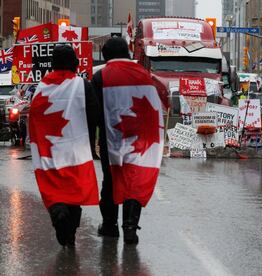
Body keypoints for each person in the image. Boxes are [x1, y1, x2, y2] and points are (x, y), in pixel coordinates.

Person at [92, 37, 164, 244]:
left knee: (111, 180)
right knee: (135, 180)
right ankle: (130, 227)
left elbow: (94, 112)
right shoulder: (145, 75)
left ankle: (110, 226)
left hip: (111, 138)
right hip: (142, 138)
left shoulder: (101, 76)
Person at [29, 44, 100, 247]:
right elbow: (94, 113)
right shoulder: (82, 85)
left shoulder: (41, 87)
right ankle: (71, 229)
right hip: (76, 148)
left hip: (49, 149)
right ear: (75, 63)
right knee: (74, 190)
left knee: (53, 188)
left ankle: (58, 212)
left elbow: (34, 117)